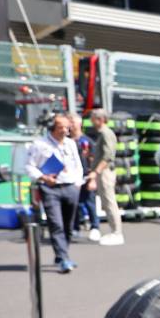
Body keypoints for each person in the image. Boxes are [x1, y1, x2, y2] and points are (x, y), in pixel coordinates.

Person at [26, 114, 84, 273]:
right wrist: (42, 177)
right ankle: (63, 258)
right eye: (61, 127)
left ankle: (62, 253)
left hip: (71, 186)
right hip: (50, 188)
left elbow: (78, 165)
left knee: (68, 224)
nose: (65, 130)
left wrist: (78, 183)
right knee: (55, 223)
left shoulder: (71, 143)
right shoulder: (39, 145)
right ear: (52, 128)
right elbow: (29, 167)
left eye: (67, 127)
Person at [87, 108, 125, 246]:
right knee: (106, 202)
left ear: (101, 119)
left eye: (93, 118)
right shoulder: (102, 134)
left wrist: (96, 171)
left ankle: (117, 233)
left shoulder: (106, 133)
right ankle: (114, 231)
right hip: (102, 171)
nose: (91, 121)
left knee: (109, 202)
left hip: (105, 172)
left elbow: (108, 156)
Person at [71, 115, 101, 241]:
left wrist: (93, 178)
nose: (71, 125)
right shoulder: (67, 141)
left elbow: (93, 159)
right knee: (75, 204)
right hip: (72, 177)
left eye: (73, 123)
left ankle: (95, 228)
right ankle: (75, 228)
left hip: (86, 175)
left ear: (79, 124)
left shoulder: (86, 141)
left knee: (90, 203)